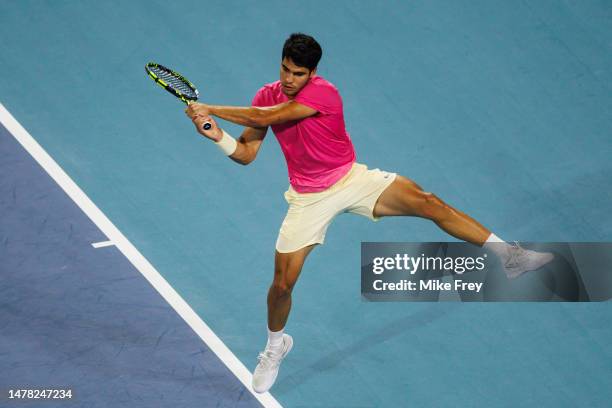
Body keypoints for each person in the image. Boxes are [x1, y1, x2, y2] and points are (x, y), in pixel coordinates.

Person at [185, 33, 553, 393]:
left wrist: (211, 107)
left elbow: (271, 115)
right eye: (285, 69)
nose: (289, 79)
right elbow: (247, 154)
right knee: (282, 285)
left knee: (429, 202)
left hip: (351, 179)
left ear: (312, 74)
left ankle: (511, 256)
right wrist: (217, 135)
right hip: (308, 198)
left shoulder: (323, 93)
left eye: (298, 73)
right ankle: (275, 346)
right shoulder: (266, 96)